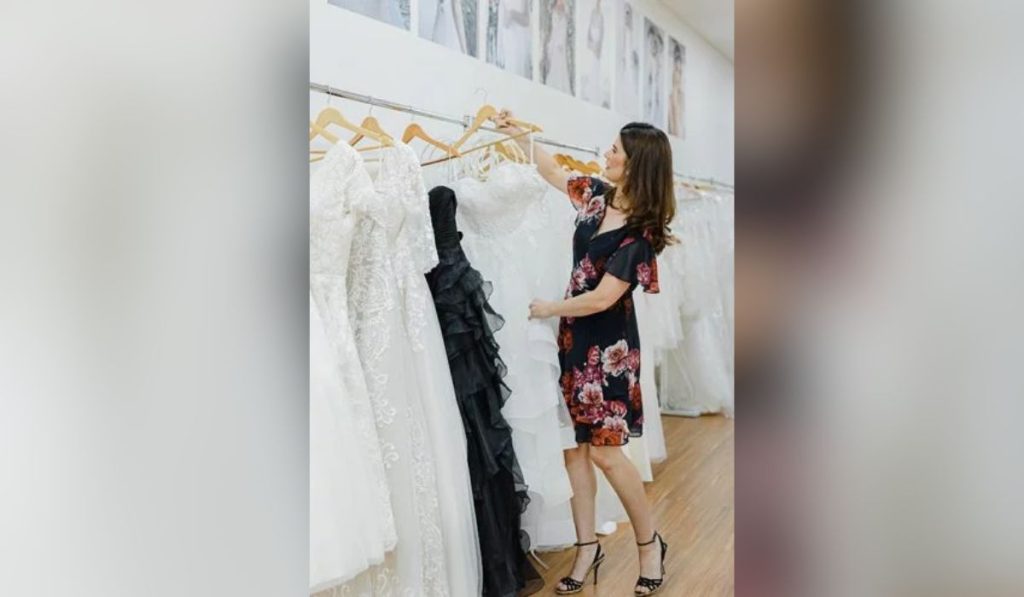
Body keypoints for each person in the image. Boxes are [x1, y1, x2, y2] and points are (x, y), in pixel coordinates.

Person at [492, 110, 676, 596]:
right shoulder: (598, 195)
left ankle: (649, 543)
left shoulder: (642, 233)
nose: (607, 154)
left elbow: (603, 297)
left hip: (609, 350)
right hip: (574, 343)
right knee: (575, 450)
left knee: (609, 456)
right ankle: (586, 547)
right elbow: (553, 172)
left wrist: (548, 307)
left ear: (636, 163)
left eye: (615, 149)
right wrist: (521, 132)